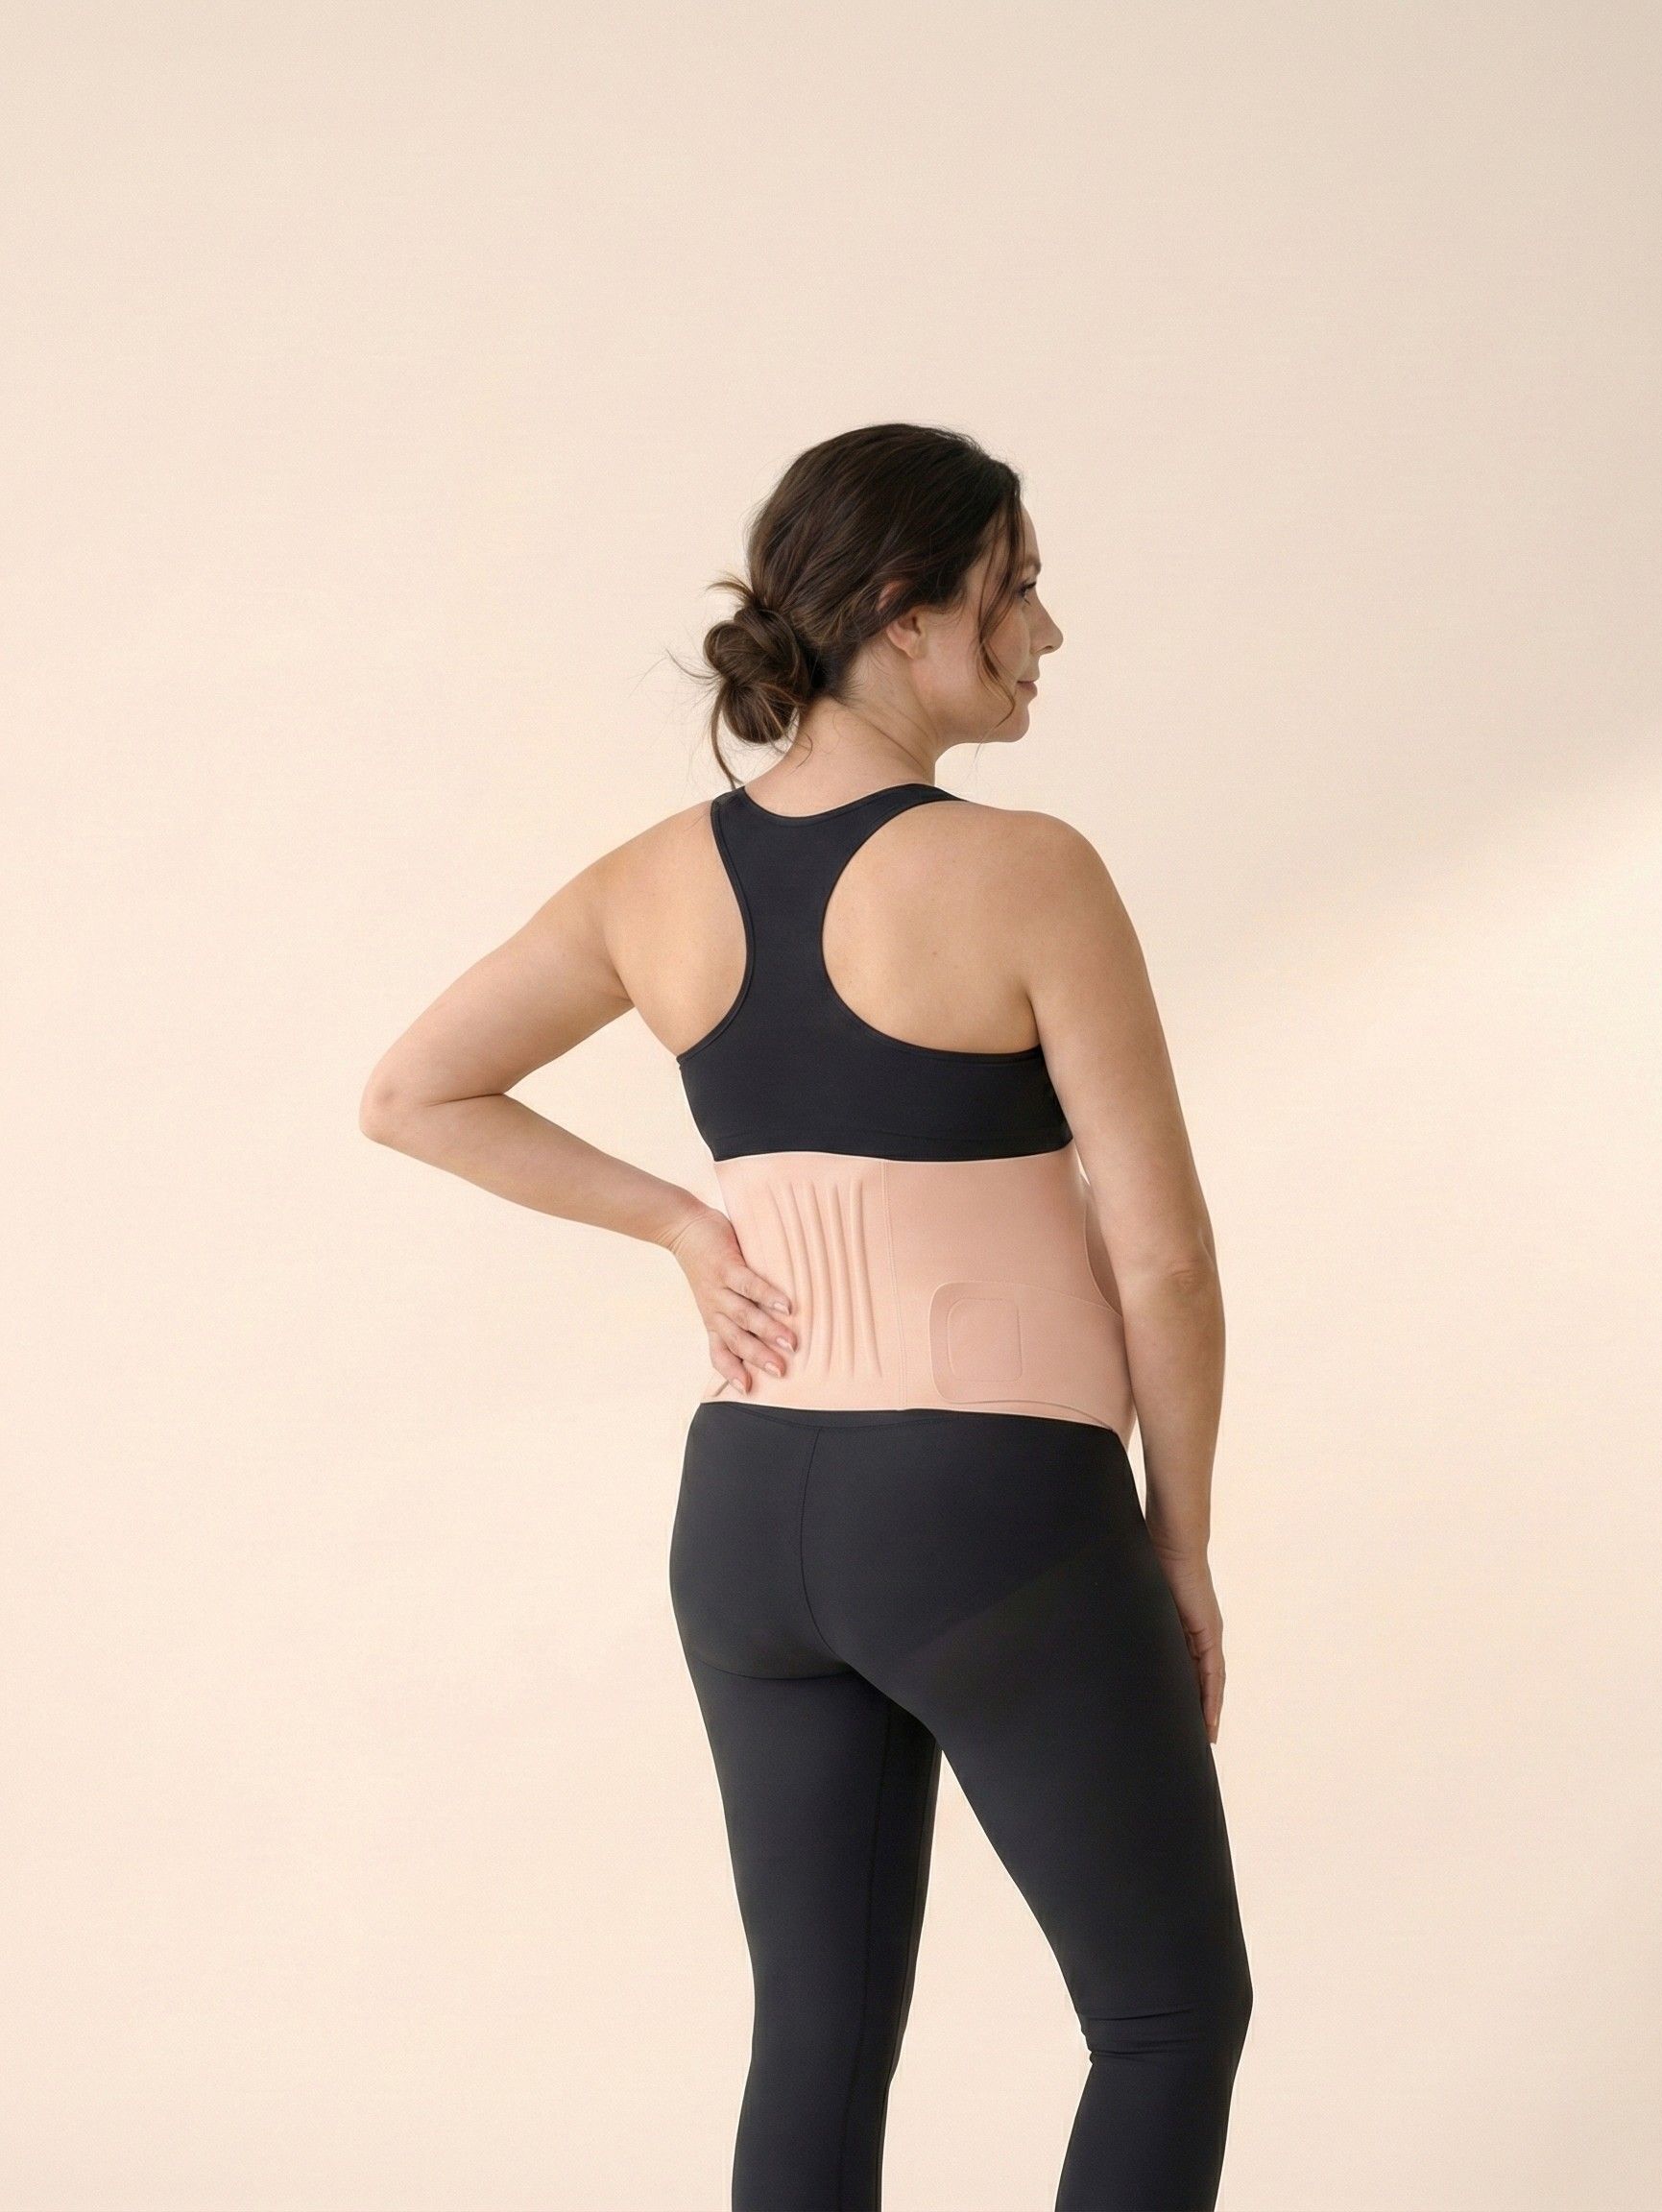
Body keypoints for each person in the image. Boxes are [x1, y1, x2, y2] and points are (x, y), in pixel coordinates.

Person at [360, 421, 1253, 2210]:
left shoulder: (647, 881)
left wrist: (683, 1224)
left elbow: (412, 1091)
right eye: (1018, 590)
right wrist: (1180, 1545)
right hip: (992, 1514)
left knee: (819, 2038)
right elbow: (1161, 1259)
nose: (1047, 633)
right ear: (906, 614)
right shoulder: (1030, 871)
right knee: (1167, 2018)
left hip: (751, 1519)